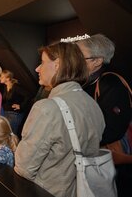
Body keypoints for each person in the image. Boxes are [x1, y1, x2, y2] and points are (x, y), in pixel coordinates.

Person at [14, 42, 105, 197]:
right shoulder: (93, 106)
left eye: (42, 62)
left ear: (57, 65)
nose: (37, 68)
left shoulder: (46, 108)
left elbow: (24, 168)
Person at [76, 34, 132, 197]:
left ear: (97, 61)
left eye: (80, 56)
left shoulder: (111, 82)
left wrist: (79, 140)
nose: (75, 60)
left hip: (117, 166)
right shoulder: (87, 81)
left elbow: (114, 128)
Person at [0, 70, 30, 136]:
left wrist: (21, 106)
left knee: (12, 135)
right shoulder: (5, 87)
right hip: (7, 113)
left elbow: (29, 95)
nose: (0, 78)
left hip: (15, 114)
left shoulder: (16, 87)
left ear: (7, 78)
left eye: (2, 77)